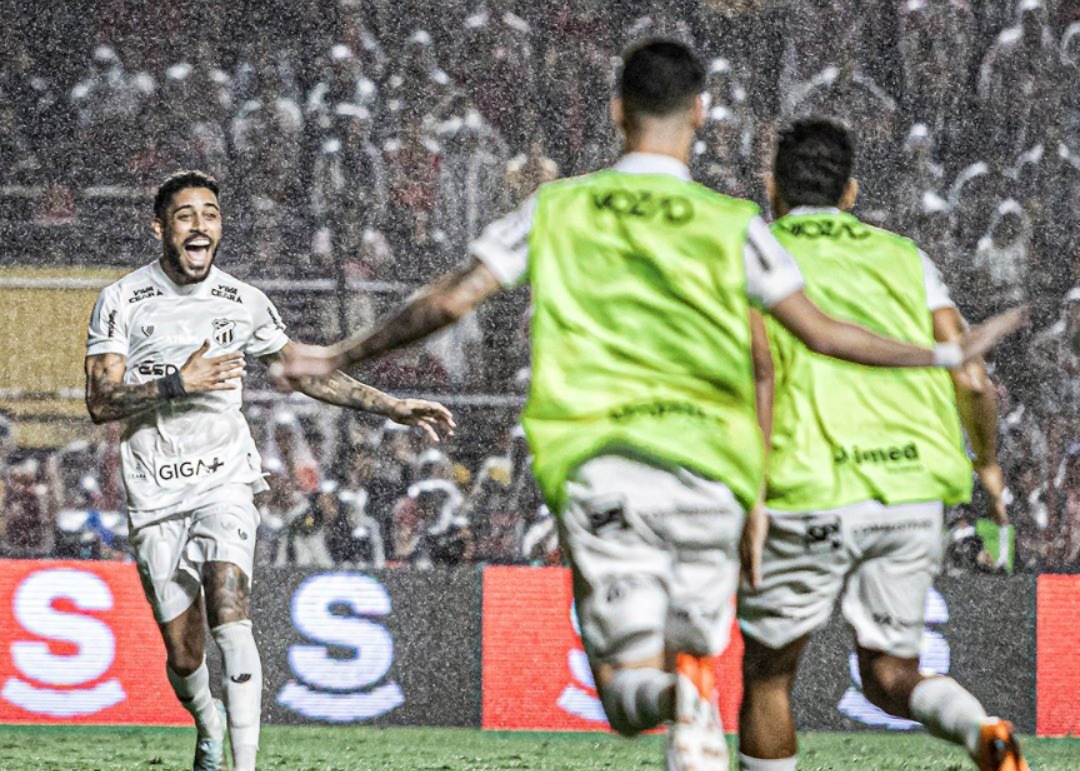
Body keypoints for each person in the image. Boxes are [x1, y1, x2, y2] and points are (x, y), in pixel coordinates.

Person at [283, 41, 1021, 771]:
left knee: (638, 693)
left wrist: (339, 355)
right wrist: (942, 356)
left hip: (610, 471)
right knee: (766, 663)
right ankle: (702, 700)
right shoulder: (733, 226)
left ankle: (682, 701)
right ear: (700, 112)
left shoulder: (560, 206)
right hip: (714, 479)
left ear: (616, 112)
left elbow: (451, 297)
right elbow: (815, 336)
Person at [83, 170, 453, 771]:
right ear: (160, 228)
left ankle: (243, 764)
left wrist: (392, 406)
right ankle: (207, 722)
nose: (200, 224)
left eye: (211, 213)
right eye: (185, 215)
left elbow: (307, 371)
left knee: (232, 613)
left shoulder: (244, 301)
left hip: (225, 478)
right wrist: (180, 381)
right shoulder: (122, 300)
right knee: (184, 653)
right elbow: (100, 402)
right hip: (154, 488)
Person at [736, 118, 1028, 771]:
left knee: (769, 675)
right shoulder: (908, 258)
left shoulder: (751, 255)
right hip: (911, 489)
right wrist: (987, 468)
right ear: (850, 192)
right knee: (892, 673)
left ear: (772, 188)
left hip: (805, 485)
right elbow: (971, 376)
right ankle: (983, 730)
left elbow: (746, 373)